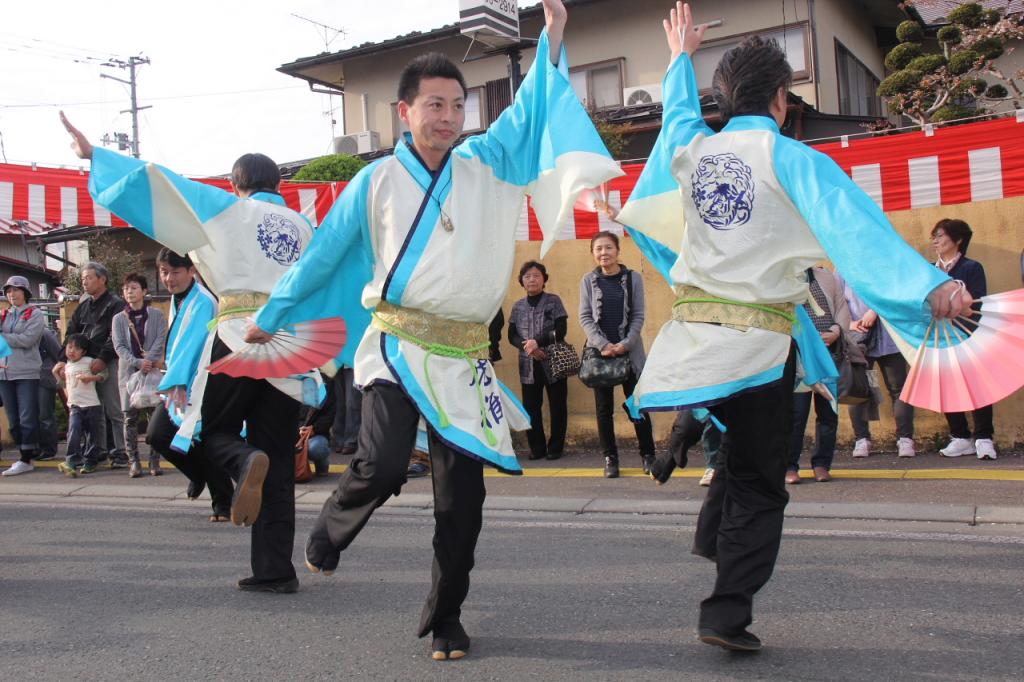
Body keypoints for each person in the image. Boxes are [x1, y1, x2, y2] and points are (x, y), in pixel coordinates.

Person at [245, 0, 620, 660]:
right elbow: (322, 257)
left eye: (456, 105)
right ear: (404, 112)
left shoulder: (490, 161)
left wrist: (553, 38)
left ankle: (445, 615)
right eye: (434, 105)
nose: (447, 118)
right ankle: (332, 528)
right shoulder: (375, 181)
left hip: (465, 359)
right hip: (395, 346)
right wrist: (270, 316)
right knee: (384, 464)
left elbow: (533, 107)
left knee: (463, 503)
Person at [615, 2, 972, 651]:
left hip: (694, 335)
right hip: (758, 344)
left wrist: (676, 59)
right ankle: (725, 609)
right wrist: (932, 288)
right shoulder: (793, 160)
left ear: (727, 96)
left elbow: (678, 119)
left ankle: (695, 459)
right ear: (782, 99)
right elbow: (857, 233)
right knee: (759, 480)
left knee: (732, 451)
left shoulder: (695, 150)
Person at [62, 117, 323, 592]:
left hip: (240, 334)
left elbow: (163, 186)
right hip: (291, 345)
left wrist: (96, 157)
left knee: (211, 430)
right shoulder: (306, 226)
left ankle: (243, 462)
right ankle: (275, 571)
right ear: (279, 185)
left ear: (235, 184)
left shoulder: (226, 208)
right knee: (280, 464)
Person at [146, 248, 233, 520]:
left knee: (201, 440)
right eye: (164, 272)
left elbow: (193, 346)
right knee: (158, 435)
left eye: (175, 272)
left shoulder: (203, 301)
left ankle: (223, 502)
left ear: (191, 270)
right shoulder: (179, 299)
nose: (169, 278)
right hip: (180, 379)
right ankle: (199, 476)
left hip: (200, 381)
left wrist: (174, 381)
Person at [578, 231, 655, 478]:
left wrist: (626, 343)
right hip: (600, 355)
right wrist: (602, 345)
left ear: (617, 251)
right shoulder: (587, 280)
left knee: (636, 406)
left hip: (629, 353)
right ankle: (610, 458)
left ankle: (648, 455)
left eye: (608, 248)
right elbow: (585, 317)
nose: (604, 253)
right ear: (593, 253)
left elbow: (639, 315)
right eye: (598, 249)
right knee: (603, 409)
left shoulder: (633, 278)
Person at [785, 267, 862, 484]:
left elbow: (841, 308)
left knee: (828, 412)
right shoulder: (784, 276)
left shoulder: (825, 276)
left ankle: (821, 464)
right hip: (799, 356)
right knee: (796, 414)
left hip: (828, 354)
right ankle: (789, 466)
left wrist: (836, 332)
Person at [931, 218, 997, 460]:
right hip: (938, 337)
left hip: (969, 333)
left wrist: (956, 297)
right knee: (947, 386)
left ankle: (983, 437)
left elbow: (976, 305)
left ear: (958, 240)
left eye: (940, 235)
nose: (935, 241)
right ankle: (959, 435)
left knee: (977, 386)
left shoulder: (971, 268)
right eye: (934, 237)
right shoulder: (928, 269)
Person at [53, 262, 127, 468]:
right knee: (91, 410)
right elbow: (71, 334)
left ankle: (121, 451)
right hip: (81, 363)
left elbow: (116, 335)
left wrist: (102, 358)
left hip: (106, 361)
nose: (84, 282)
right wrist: (62, 358)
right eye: (83, 278)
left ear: (102, 279)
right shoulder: (84, 305)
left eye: (89, 278)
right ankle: (98, 449)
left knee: (113, 408)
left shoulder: (115, 303)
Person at [839, 274, 915, 459]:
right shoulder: (842, 269)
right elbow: (836, 300)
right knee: (859, 389)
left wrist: (875, 311)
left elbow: (896, 293)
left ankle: (905, 439)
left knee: (898, 388)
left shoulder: (881, 263)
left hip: (889, 337)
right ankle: (862, 439)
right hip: (859, 338)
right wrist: (849, 323)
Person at [508, 260, 569, 461]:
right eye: (527, 276)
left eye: (536, 275)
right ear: (521, 281)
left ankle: (556, 447)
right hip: (528, 363)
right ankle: (537, 447)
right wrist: (529, 348)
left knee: (557, 405)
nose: (532, 279)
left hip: (553, 359)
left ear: (544, 279)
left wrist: (538, 343)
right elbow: (512, 335)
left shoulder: (554, 300)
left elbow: (561, 330)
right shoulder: (517, 307)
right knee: (531, 407)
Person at [112, 272, 167, 478]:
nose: (129, 292)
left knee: (155, 417)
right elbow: (119, 346)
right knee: (129, 418)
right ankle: (133, 461)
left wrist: (149, 361)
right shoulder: (118, 319)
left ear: (144, 291)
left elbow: (160, 339)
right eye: (126, 289)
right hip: (128, 373)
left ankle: (154, 459)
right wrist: (137, 362)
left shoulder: (157, 315)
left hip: (151, 372)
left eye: (134, 288)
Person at [0, 276, 44, 476]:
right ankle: (23, 453)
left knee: (27, 416)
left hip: (27, 372)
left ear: (25, 292)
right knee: (13, 419)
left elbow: (28, 339)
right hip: (4, 373)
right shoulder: (4, 314)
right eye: (9, 290)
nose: (12, 294)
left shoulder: (35, 314)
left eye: (16, 290)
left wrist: (3, 338)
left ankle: (26, 458)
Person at [55, 333, 106, 476]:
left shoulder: (89, 361)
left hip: (92, 405)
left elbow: (104, 375)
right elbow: (64, 385)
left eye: (76, 348)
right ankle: (71, 460)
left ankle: (90, 461)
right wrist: (56, 374)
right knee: (73, 431)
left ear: (83, 351)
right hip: (75, 406)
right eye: (69, 347)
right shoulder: (66, 366)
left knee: (92, 435)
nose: (71, 351)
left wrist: (90, 378)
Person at [299, 373, 336, 476]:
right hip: (292, 432)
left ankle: (321, 465)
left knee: (317, 448)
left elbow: (330, 414)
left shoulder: (325, 384)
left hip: (316, 434)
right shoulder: (289, 382)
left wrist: (314, 429)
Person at [37, 324, 63, 462]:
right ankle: (36, 448)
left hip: (44, 378)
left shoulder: (44, 333)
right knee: (31, 415)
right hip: (26, 378)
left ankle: (49, 449)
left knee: (45, 414)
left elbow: (59, 354)